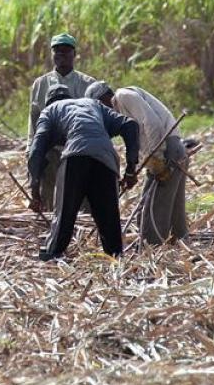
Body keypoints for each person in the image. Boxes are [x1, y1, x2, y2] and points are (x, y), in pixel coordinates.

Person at [28, 86, 140, 260]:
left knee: (64, 212)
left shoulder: (49, 111)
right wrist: (131, 170)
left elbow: (36, 152)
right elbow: (130, 125)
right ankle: (115, 258)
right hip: (106, 159)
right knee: (108, 215)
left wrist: (35, 192)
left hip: (75, 156)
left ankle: (53, 254)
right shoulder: (93, 104)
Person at [85, 81, 188, 245]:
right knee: (170, 204)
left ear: (105, 97)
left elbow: (152, 123)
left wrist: (159, 158)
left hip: (168, 149)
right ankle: (180, 243)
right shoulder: (119, 111)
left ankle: (152, 247)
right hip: (166, 151)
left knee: (155, 204)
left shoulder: (123, 96)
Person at [27, 33, 96, 208]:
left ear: (74, 54)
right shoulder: (40, 84)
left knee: (82, 202)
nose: (61, 55)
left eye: (66, 51)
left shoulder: (87, 84)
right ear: (52, 54)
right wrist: (31, 150)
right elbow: (34, 120)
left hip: (79, 150)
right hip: (50, 151)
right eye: (57, 51)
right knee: (50, 200)